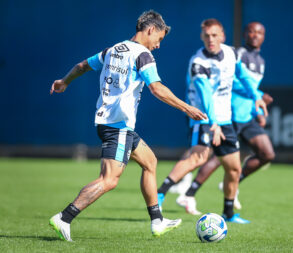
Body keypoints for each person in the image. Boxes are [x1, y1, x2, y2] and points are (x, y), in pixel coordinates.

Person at [48, 10, 207, 241]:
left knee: (150, 162)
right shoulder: (143, 55)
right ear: (151, 29)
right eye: (159, 39)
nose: (158, 45)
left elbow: (82, 65)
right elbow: (156, 88)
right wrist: (187, 108)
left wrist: (64, 81)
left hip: (111, 122)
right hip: (118, 125)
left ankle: (157, 221)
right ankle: (64, 217)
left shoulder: (113, 49)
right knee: (109, 179)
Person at [156, 18, 267, 223]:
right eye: (206, 36)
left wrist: (256, 97)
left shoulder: (231, 53)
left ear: (222, 36)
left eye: (214, 35)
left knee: (234, 168)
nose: (211, 39)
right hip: (203, 117)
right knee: (196, 159)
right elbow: (205, 95)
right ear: (202, 37)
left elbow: (243, 75)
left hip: (225, 119)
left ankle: (229, 214)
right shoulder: (198, 63)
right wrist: (213, 123)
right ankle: (160, 194)